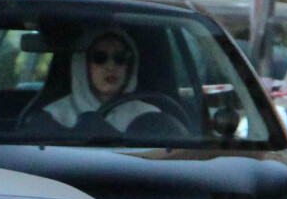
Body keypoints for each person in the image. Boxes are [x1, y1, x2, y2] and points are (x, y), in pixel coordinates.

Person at [21, 27, 179, 141]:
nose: (111, 66)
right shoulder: (53, 117)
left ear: (130, 66)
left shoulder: (151, 117)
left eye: (120, 58)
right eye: (100, 57)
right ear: (82, 66)